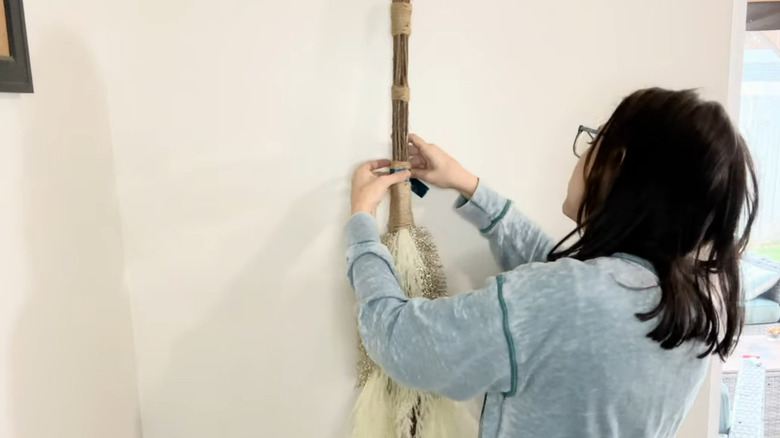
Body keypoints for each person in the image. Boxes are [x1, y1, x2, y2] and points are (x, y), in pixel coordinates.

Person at [345, 88, 758, 437]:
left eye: (595, 139)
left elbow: (402, 342)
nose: (582, 152)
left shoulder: (569, 299)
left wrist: (362, 223)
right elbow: (564, 294)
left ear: (616, 164)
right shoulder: (693, 312)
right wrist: (468, 186)